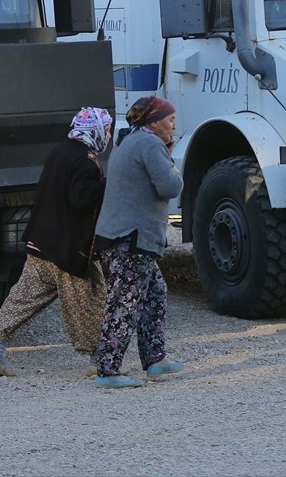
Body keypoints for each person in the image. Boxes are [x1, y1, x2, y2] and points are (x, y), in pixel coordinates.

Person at [0, 107, 114, 377]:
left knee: (22, 299)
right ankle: (99, 359)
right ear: (95, 131)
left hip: (40, 245)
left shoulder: (58, 152)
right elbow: (81, 198)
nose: (109, 136)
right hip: (67, 251)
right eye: (107, 130)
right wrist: (110, 185)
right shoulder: (86, 161)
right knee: (92, 301)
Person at [91, 95, 185, 388]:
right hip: (131, 240)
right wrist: (174, 165)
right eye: (170, 120)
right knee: (124, 303)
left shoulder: (128, 140)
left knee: (155, 292)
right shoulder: (150, 144)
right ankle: (107, 370)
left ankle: (155, 359)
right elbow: (170, 186)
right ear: (155, 121)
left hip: (120, 237)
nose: (173, 126)